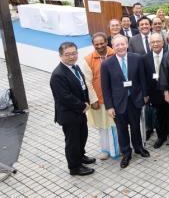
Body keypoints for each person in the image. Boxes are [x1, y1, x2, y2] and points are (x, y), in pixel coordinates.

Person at [101, 35, 150, 169]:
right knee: (121, 130)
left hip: (135, 100)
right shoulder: (106, 64)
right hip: (117, 104)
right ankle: (126, 153)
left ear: (127, 44)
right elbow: (105, 87)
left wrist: (145, 95)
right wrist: (109, 106)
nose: (120, 47)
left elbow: (142, 78)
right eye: (117, 45)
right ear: (113, 47)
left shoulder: (137, 59)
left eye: (123, 44)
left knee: (135, 126)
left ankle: (139, 148)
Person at [50, 42, 95, 176]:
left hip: (79, 112)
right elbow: (65, 97)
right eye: (67, 54)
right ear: (60, 55)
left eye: (74, 53)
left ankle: (80, 156)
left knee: (82, 136)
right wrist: (83, 105)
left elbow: (83, 87)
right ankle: (74, 167)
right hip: (69, 114)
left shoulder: (75, 68)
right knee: (73, 142)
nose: (71, 57)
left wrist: (87, 101)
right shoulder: (58, 74)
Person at [82, 33, 118, 160]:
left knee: (116, 125)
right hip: (99, 100)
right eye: (96, 44)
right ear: (93, 45)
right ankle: (106, 150)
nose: (100, 46)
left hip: (116, 98)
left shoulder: (115, 53)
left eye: (102, 43)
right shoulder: (88, 59)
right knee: (103, 126)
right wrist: (93, 100)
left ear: (106, 42)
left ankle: (119, 149)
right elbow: (87, 82)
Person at [143, 33, 169, 149]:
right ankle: (161, 136)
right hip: (154, 93)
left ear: (163, 42)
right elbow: (143, 78)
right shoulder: (145, 58)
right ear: (149, 44)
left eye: (158, 41)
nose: (155, 44)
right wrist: (146, 94)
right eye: (153, 42)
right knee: (158, 116)